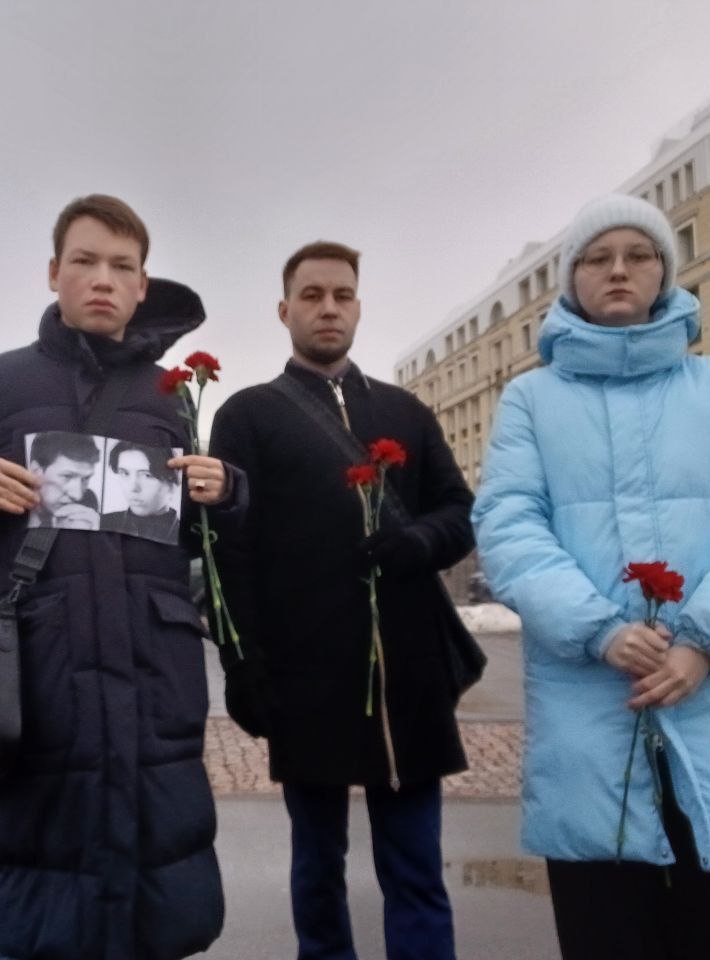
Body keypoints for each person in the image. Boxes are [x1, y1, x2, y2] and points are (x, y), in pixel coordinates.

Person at [0, 194, 244, 960]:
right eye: (84, 261)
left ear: (142, 285)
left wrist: (227, 490)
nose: (102, 279)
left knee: (157, 914)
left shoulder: (171, 397)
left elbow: (203, 539)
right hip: (44, 682)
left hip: (157, 683)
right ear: (54, 272)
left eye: (122, 266)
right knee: (47, 912)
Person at [472, 194, 710, 960]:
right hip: (591, 708)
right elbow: (510, 528)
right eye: (597, 258)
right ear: (573, 279)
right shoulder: (531, 399)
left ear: (665, 271)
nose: (618, 270)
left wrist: (704, 642)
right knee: (607, 928)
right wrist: (599, 629)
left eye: (638, 254)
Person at [209, 241, 474, 960]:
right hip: (305, 676)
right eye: (312, 295)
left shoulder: (405, 410)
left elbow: (459, 512)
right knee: (318, 867)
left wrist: (418, 541)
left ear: (358, 307)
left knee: (417, 869)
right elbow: (229, 551)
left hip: (407, 676)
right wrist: (242, 662)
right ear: (284, 309)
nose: (329, 308)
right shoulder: (247, 415)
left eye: (342, 295)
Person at [100, 440, 181, 542]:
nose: (133, 488)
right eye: (125, 473)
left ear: (172, 483)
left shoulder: (186, 535)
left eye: (147, 475)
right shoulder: (102, 523)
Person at [26, 431, 102, 530]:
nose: (78, 496)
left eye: (85, 478)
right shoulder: (10, 507)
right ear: (35, 471)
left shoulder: (89, 504)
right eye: (67, 476)